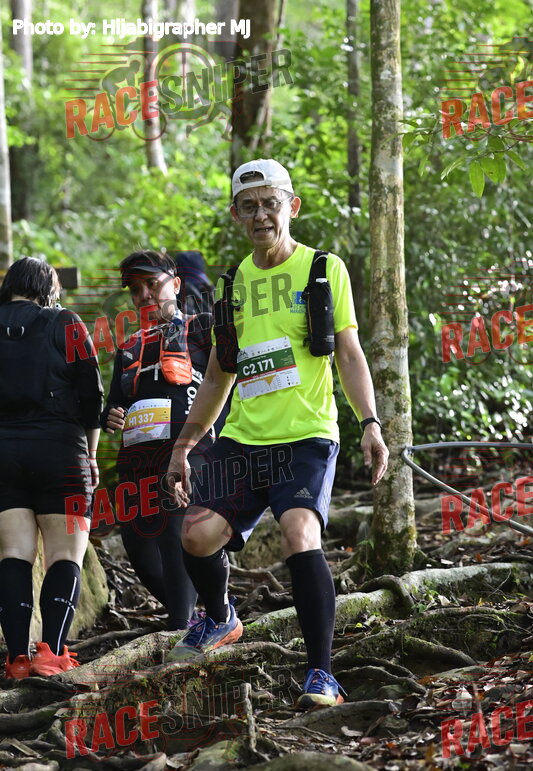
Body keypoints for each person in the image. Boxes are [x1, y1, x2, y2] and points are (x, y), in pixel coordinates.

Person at [165, 158, 389, 710]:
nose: (261, 214)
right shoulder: (232, 285)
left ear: (292, 206)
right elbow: (217, 375)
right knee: (195, 535)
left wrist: (370, 422)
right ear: (235, 214)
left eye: (271, 203)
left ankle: (322, 674)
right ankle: (221, 618)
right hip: (243, 439)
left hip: (307, 436)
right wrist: (185, 443)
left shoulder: (322, 270)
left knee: (298, 534)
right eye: (249, 206)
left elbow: (349, 354)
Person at [0, 257, 103, 679]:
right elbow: (92, 394)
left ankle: (17, 660)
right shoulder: (66, 323)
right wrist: (91, 455)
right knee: (65, 554)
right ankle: (53, 654)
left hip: (4, 453)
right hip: (61, 452)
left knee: (13, 553)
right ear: (48, 289)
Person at [101, 250, 214, 631]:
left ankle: (180, 630)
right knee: (139, 550)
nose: (144, 295)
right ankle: (201, 619)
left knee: (172, 537)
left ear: (176, 285)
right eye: (136, 290)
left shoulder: (201, 329)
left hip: (186, 452)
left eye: (152, 284)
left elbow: (226, 385)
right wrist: (109, 414)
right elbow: (116, 401)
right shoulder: (128, 346)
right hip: (136, 460)